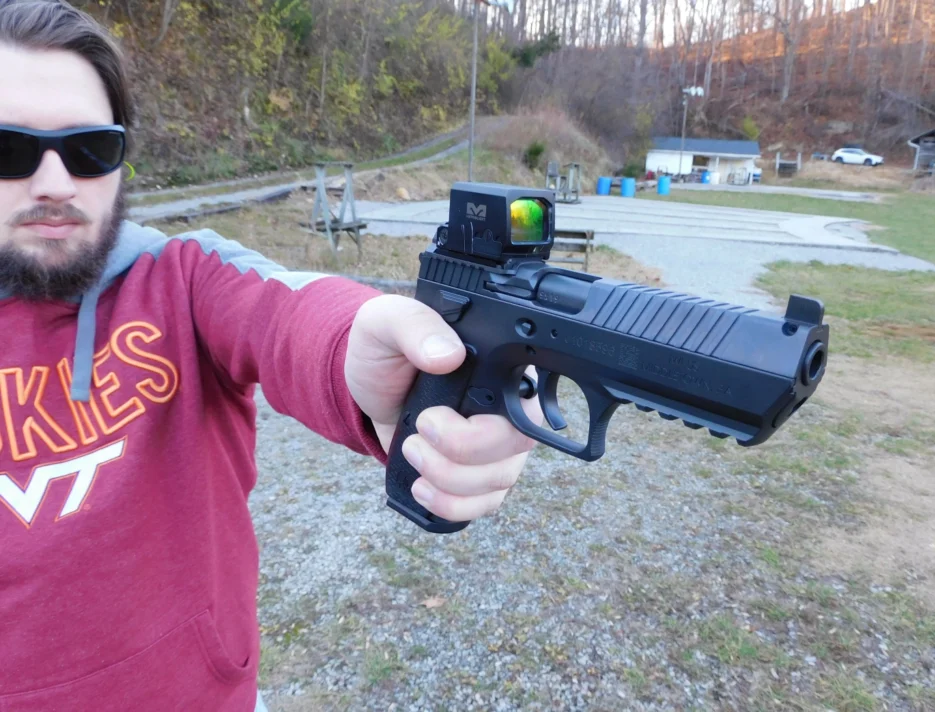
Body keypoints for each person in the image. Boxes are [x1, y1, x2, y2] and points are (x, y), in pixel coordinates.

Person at [0, 2, 540, 710]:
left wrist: (376, 357)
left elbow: (290, 312)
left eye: (90, 148)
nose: (56, 183)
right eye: (9, 150)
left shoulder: (182, 277)